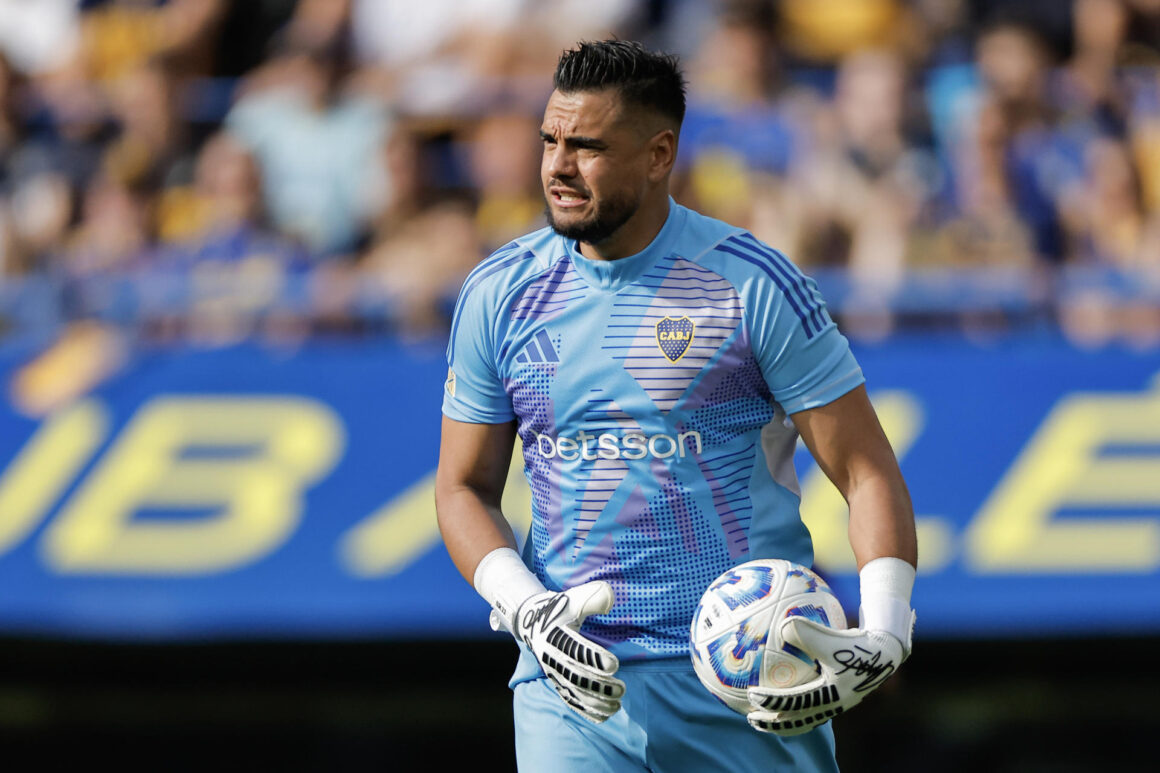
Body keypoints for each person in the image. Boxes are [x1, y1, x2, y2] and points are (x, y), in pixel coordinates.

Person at [434, 40, 918, 772]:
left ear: (660, 155)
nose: (557, 168)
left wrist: (885, 630)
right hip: (571, 689)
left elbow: (865, 469)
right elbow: (462, 486)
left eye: (587, 147)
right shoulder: (498, 293)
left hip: (752, 689)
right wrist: (527, 608)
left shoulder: (753, 283)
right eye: (550, 141)